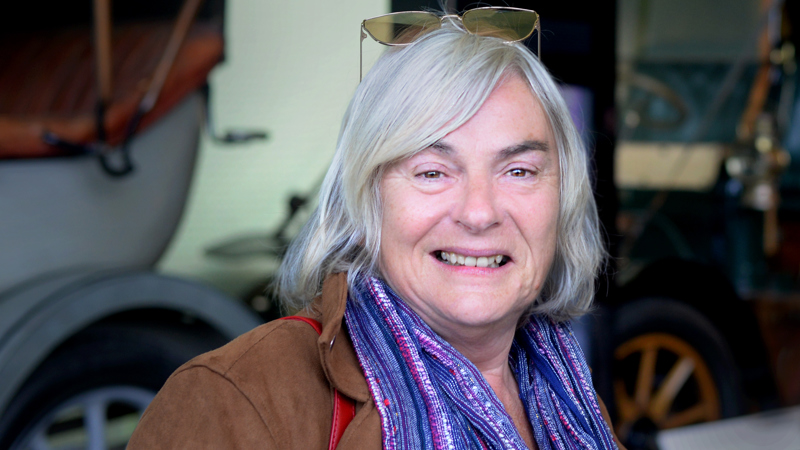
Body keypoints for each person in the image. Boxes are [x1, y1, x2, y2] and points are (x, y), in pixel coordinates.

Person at [129, 7, 624, 449]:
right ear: (364, 203)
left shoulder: (569, 398)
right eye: (432, 172)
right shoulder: (234, 401)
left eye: (518, 171)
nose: (479, 213)